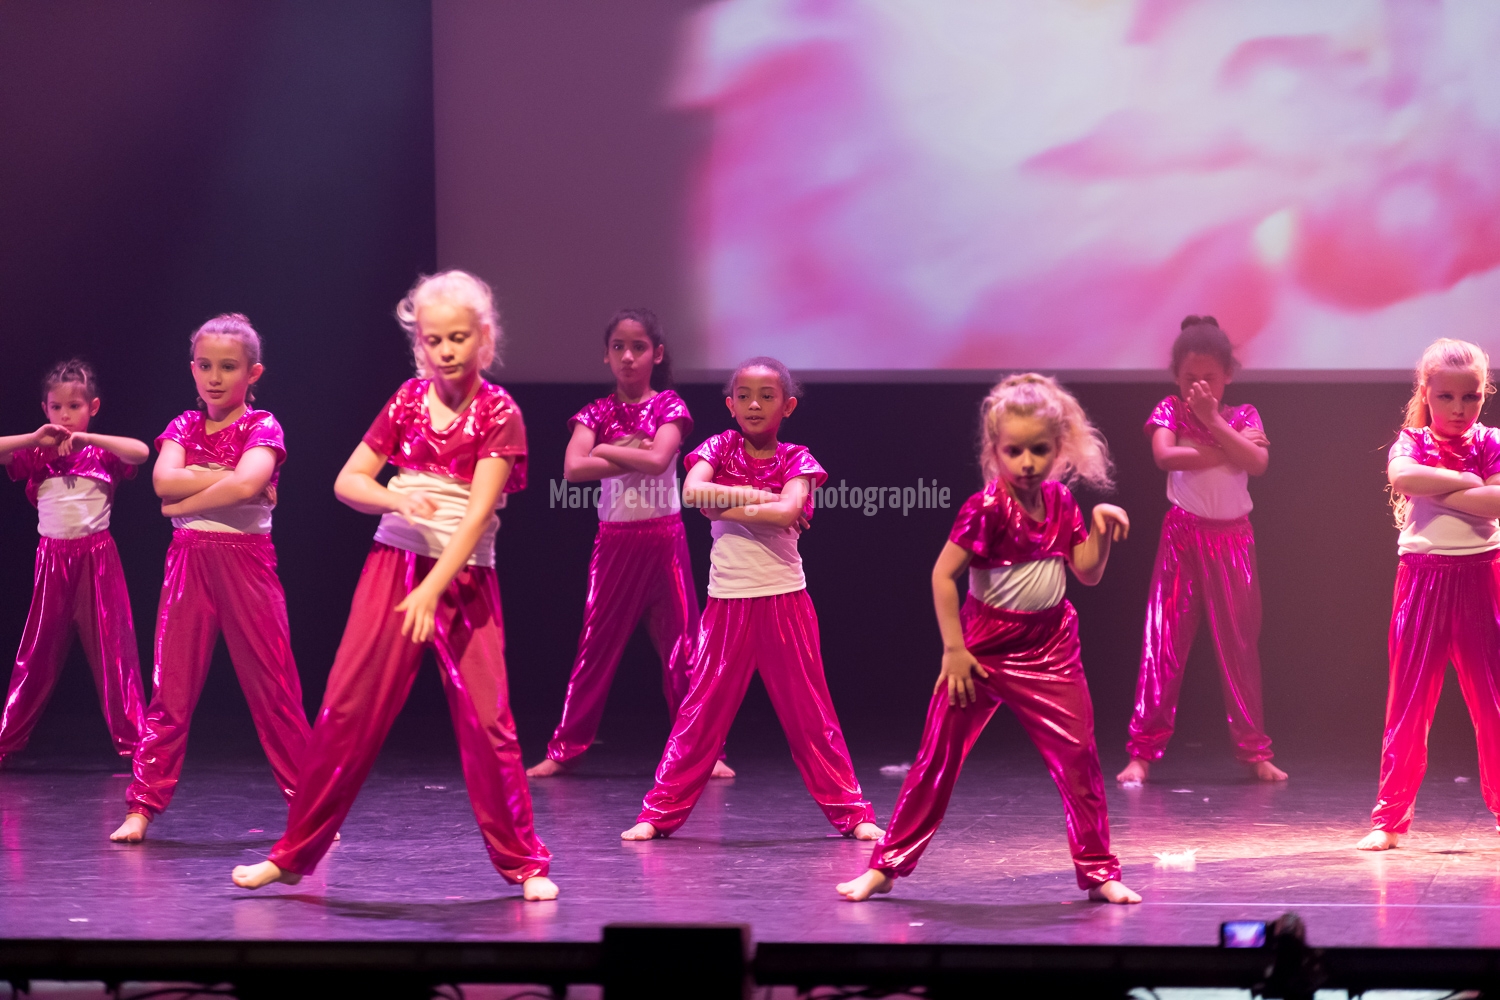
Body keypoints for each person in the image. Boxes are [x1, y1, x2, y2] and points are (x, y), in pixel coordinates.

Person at [232, 271, 556, 900]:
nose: (446, 351)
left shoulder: (500, 413)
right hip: (393, 565)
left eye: (458, 338)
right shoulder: (408, 401)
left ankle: (525, 863)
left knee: (488, 723)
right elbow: (348, 482)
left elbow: (476, 516)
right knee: (345, 710)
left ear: (484, 339)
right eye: (434, 340)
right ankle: (294, 854)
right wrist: (397, 500)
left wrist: (433, 589)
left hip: (463, 576)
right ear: (419, 343)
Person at [837, 373, 1140, 904]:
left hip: (1050, 649)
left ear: (1059, 449)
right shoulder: (986, 508)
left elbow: (1087, 572)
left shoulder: (1061, 502)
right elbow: (942, 576)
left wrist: (1101, 530)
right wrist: (954, 651)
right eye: (1014, 451)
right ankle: (885, 867)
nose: (1027, 462)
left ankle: (1098, 873)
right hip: (983, 651)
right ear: (994, 450)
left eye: (1039, 450)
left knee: (1079, 760)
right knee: (937, 760)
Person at [621, 357, 881, 842]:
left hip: (785, 603)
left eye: (766, 396)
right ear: (730, 405)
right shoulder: (718, 446)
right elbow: (693, 494)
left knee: (812, 715)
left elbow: (787, 513)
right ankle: (657, 813)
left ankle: (852, 811)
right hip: (728, 604)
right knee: (700, 713)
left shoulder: (798, 458)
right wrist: (761, 497)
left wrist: (728, 502)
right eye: (743, 396)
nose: (754, 405)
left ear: (788, 406)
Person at [112, 316, 310, 843]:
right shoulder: (183, 426)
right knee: (170, 691)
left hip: (247, 564)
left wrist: (182, 502)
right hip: (189, 562)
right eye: (205, 366)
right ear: (192, 369)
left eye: (228, 367)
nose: (214, 378)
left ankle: (311, 807)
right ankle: (142, 806)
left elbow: (246, 484)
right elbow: (163, 479)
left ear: (253, 373)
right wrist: (226, 479)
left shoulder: (263, 426)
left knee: (275, 690)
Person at [529, 309, 731, 779]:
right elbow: (573, 469)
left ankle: (704, 752)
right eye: (618, 347)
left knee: (685, 648)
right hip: (614, 544)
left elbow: (659, 460)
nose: (627, 356)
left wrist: (604, 450)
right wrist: (624, 451)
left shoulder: (670, 407)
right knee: (594, 648)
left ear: (656, 355)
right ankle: (564, 749)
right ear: (606, 354)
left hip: (663, 541)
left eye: (638, 347)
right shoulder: (595, 413)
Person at [1118, 316, 1285, 785]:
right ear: (1176, 377)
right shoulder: (1170, 410)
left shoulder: (1244, 414)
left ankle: (1255, 752)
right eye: (1190, 377)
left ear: (1228, 374)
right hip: (1183, 539)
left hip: (1232, 541)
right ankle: (1141, 752)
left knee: (1239, 645)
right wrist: (1228, 448)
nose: (1200, 386)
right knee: (1163, 643)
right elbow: (1165, 456)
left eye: (1209, 377)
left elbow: (1258, 462)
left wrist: (1213, 422)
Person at [1357, 339, 1500, 851]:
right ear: (1426, 393)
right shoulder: (1412, 441)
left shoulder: (1490, 441)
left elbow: (1498, 501)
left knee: (1494, 703)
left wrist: (1439, 489)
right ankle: (1390, 820)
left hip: (1482, 578)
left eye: (1471, 397)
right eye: (1447, 397)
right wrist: (1464, 481)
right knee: (1409, 703)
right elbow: (1402, 476)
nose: (1459, 409)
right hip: (1422, 580)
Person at [0, 360, 148, 765]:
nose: (64, 416)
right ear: (45, 409)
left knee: (115, 651)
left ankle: (136, 744)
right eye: (56, 407)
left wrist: (88, 438)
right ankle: (6, 739)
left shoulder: (102, 451)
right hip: (52, 561)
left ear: (92, 407)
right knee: (36, 653)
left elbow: (141, 452)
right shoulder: (37, 453)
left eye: (74, 406)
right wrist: (34, 438)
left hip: (97, 560)